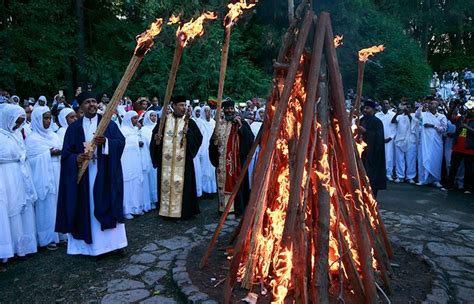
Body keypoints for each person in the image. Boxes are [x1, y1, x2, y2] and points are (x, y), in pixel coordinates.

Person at [55, 91, 127, 256]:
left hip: (105, 173)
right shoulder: (74, 128)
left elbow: (121, 142)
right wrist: (77, 158)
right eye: (87, 102)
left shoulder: (108, 123)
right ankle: (93, 248)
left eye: (94, 101)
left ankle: (115, 245)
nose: (92, 104)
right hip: (85, 176)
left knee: (108, 204)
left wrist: (107, 142)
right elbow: (66, 155)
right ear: (80, 107)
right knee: (88, 207)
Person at [150, 96, 203, 219]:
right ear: (173, 106)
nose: (183, 108)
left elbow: (198, 138)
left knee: (184, 186)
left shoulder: (189, 121)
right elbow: (156, 138)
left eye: (185, 105)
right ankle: (166, 211)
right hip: (166, 164)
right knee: (166, 184)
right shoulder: (164, 121)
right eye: (181, 105)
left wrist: (188, 133)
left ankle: (184, 212)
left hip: (183, 163)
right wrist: (157, 140)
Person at [0, 104, 38, 259]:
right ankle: (7, 248)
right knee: (9, 209)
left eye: (21, 122)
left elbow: (22, 152)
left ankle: (23, 246)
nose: (17, 125)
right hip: (5, 176)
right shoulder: (1, 136)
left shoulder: (15, 134)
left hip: (20, 174)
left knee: (23, 208)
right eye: (16, 121)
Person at [210, 98, 254, 216]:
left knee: (237, 184)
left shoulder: (241, 122)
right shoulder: (220, 125)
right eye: (227, 109)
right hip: (222, 162)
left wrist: (240, 127)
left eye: (231, 108)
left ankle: (237, 208)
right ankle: (224, 208)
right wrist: (214, 141)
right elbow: (213, 143)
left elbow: (250, 139)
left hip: (236, 162)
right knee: (222, 183)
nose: (229, 111)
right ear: (223, 110)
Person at [26, 107, 61, 250]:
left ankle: (61, 233)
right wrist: (48, 153)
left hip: (57, 171)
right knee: (46, 205)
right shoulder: (32, 139)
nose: (48, 121)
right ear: (36, 120)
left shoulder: (54, 135)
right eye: (44, 118)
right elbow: (30, 159)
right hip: (42, 175)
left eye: (49, 118)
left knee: (59, 202)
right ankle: (47, 237)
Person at [416, 98, 447, 187]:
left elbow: (444, 130)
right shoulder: (424, 114)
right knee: (423, 159)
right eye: (429, 104)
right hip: (425, 142)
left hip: (436, 143)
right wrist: (421, 106)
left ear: (437, 106)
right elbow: (417, 115)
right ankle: (423, 179)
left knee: (436, 160)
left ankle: (436, 180)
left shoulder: (442, 116)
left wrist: (433, 125)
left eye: (432, 104)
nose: (430, 105)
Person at [444, 100, 474, 193]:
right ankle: (449, 185)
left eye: (471, 109)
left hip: (469, 149)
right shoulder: (460, 118)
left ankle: (467, 188)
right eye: (468, 109)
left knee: (468, 169)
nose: (469, 111)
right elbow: (448, 118)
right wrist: (454, 106)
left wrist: (466, 127)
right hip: (457, 147)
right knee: (453, 167)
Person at [120, 111, 146, 219]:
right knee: (128, 185)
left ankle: (137, 208)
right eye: (134, 118)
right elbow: (122, 145)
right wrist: (136, 143)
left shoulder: (135, 130)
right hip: (127, 162)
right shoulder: (123, 131)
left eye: (137, 118)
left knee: (136, 183)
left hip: (136, 161)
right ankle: (127, 210)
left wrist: (139, 143)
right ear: (128, 119)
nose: (136, 120)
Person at [359, 100, 387, 198]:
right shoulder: (361, 120)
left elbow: (378, 138)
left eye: (368, 108)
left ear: (373, 110)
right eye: (364, 108)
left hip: (373, 154)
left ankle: (372, 199)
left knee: (372, 179)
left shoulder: (377, 122)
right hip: (363, 153)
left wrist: (365, 132)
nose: (365, 110)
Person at [392, 103, 418, 183]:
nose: (407, 108)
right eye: (406, 107)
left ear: (412, 108)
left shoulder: (414, 116)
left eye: (409, 107)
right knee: (399, 159)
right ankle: (400, 176)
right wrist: (398, 112)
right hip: (400, 140)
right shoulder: (400, 116)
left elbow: (412, 123)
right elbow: (393, 121)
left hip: (410, 141)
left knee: (411, 159)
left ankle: (410, 177)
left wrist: (408, 114)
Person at [140, 111, 158, 208]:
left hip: (158, 157)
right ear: (147, 117)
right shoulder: (144, 130)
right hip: (149, 157)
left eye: (155, 116)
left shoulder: (159, 127)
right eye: (151, 115)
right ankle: (153, 199)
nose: (153, 117)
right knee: (152, 179)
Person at [375, 100, 396, 181]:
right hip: (379, 140)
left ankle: (389, 174)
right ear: (381, 105)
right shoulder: (377, 115)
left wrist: (390, 137)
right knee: (379, 157)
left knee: (389, 157)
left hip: (389, 139)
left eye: (387, 103)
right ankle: (379, 174)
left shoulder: (393, 115)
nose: (385, 105)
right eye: (383, 104)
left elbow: (395, 128)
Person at [198, 106, 217, 195]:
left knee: (212, 169)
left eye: (209, 111)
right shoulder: (200, 123)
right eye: (206, 111)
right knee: (204, 169)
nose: (208, 113)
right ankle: (204, 190)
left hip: (212, 148)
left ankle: (212, 189)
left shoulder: (214, 122)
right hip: (203, 149)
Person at [192, 106, 203, 197]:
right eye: (197, 112)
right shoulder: (192, 121)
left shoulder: (202, 122)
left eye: (199, 112)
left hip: (202, 148)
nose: (198, 114)